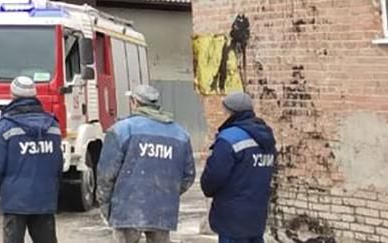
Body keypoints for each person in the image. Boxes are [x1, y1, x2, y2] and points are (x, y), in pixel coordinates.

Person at [98, 84, 196, 243]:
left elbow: (106, 174)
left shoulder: (121, 130)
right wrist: (167, 193)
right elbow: (188, 175)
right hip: (162, 209)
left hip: (126, 209)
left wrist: (106, 205)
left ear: (134, 102)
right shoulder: (180, 133)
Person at [0, 76, 62, 243]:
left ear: (12, 95)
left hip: (14, 201)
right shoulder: (53, 126)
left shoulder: (4, 126)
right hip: (44, 200)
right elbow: (57, 165)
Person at [201, 92, 277, 243]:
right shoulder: (266, 137)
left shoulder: (229, 137)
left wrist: (207, 188)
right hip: (257, 213)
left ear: (230, 111)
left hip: (232, 215)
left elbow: (215, 175)